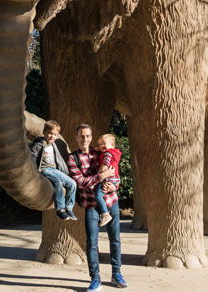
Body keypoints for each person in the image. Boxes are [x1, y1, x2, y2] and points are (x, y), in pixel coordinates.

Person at [68, 124, 128, 291]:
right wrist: (101, 176)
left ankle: (117, 273)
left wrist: (114, 185)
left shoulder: (101, 153)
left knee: (115, 240)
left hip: (111, 202)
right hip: (91, 206)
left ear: (91, 136)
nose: (85, 139)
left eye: (87, 136)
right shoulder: (73, 159)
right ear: (76, 137)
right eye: (81, 136)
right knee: (92, 244)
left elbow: (114, 172)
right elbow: (80, 182)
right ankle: (95, 279)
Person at [28, 120, 77, 221]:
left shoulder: (53, 145)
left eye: (55, 134)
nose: (52, 136)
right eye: (50, 133)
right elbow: (32, 157)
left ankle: (69, 208)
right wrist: (35, 172)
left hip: (54, 169)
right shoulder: (39, 144)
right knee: (57, 182)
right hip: (44, 170)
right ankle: (60, 209)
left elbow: (58, 159)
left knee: (72, 183)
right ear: (44, 132)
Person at [94, 133, 121, 227]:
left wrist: (99, 173)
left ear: (111, 144)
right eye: (100, 144)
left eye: (103, 143)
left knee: (98, 195)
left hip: (109, 178)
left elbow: (105, 164)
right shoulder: (114, 152)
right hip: (115, 179)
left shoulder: (108, 154)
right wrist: (98, 148)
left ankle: (105, 214)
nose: (101, 146)